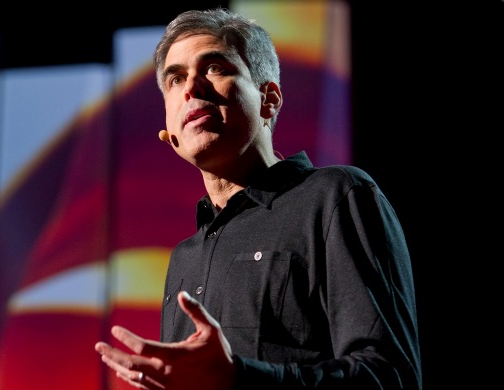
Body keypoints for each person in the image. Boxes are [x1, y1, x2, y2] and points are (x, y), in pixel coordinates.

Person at [93, 7, 421, 390]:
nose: (192, 88)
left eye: (215, 68)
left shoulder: (335, 197)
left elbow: (389, 375)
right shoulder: (185, 257)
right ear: (169, 131)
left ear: (269, 99)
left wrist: (241, 379)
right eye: (175, 79)